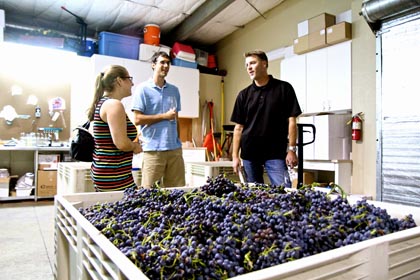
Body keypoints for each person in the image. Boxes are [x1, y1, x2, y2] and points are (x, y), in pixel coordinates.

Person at [230, 50, 302, 187]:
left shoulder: (284, 88)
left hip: (275, 153)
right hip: (250, 153)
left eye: (252, 63)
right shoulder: (243, 95)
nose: (249, 68)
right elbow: (238, 128)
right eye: (246, 65)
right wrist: (235, 156)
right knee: (255, 195)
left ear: (264, 64)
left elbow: (292, 122)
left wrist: (292, 150)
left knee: (283, 192)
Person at [132, 51, 185, 188]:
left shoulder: (174, 90)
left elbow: (176, 120)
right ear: (153, 65)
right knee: (149, 195)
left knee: (177, 193)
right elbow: (137, 119)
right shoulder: (142, 89)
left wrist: (178, 141)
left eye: (168, 63)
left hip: (174, 150)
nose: (166, 65)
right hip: (152, 150)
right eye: (162, 62)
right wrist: (164, 116)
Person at [87, 65, 142, 192]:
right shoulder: (114, 105)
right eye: (129, 79)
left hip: (110, 171)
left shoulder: (105, 103)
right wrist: (135, 146)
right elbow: (121, 143)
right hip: (113, 173)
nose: (132, 83)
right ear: (119, 81)